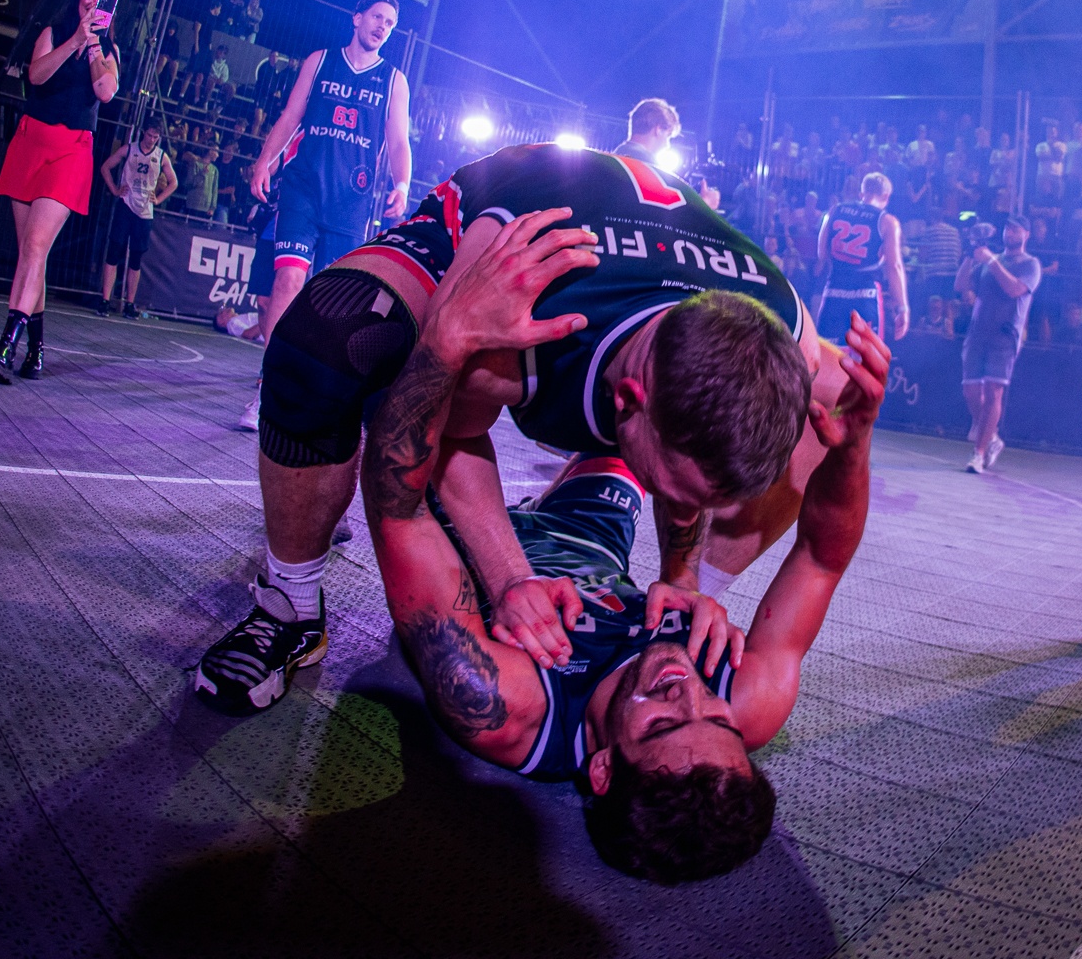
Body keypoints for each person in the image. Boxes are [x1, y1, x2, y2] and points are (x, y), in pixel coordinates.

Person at [194, 142, 829, 715]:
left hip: (656, 260)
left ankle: (679, 600)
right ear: (628, 400)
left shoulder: (790, 344)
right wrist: (510, 578)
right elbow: (446, 434)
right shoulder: (521, 301)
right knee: (329, 340)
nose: (681, 506)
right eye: (671, 488)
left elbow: (738, 457)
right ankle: (289, 603)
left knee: (829, 425)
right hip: (496, 218)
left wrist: (685, 581)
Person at [359, 211, 888, 882]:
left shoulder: (500, 701)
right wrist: (855, 443)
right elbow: (822, 557)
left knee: (430, 395)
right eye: (717, 721)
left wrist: (447, 337)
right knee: (692, 438)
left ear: (603, 768)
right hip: (589, 542)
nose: (687, 691)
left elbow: (399, 512)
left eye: (663, 724)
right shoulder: (745, 700)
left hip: (473, 542)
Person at [236, 0, 412, 430]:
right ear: (357, 17)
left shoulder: (393, 81)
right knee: (288, 280)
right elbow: (290, 116)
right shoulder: (320, 62)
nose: (383, 27)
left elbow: (398, 141)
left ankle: (319, 393)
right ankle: (269, 389)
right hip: (303, 191)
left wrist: (403, 183)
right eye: (377, 17)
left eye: (390, 23)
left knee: (335, 304)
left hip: (351, 203)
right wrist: (264, 161)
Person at [0, 0, 120, 383]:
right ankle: (37, 351)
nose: (92, 1)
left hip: (71, 150)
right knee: (30, 252)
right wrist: (74, 40)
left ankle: (7, 345)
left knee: (37, 245)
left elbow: (106, 91)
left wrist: (92, 45)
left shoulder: (109, 49)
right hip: (30, 144)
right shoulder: (53, 33)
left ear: (110, 8)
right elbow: (36, 75)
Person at [956, 216, 1041, 474]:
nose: (1010, 232)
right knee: (970, 390)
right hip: (977, 332)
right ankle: (991, 437)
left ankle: (979, 453)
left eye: (1016, 229)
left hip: (1005, 335)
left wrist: (991, 260)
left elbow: (1014, 289)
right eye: (1007, 228)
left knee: (993, 392)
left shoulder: (1030, 264)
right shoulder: (989, 260)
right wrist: (970, 255)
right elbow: (960, 286)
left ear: (1026, 234)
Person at [814, 171, 909, 344]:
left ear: (861, 193)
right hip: (865, 296)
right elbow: (894, 266)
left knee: (826, 354)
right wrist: (902, 307)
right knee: (865, 356)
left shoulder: (835, 210)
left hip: (833, 293)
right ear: (886, 196)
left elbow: (821, 252)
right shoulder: (888, 222)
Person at [97, 121, 178, 317]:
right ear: (144, 133)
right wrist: (115, 189)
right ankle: (105, 299)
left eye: (155, 137)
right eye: (149, 135)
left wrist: (158, 199)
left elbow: (173, 182)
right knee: (114, 251)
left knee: (136, 258)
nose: (152, 140)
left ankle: (130, 303)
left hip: (144, 211)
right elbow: (105, 167)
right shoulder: (130, 149)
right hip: (126, 204)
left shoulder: (161, 156)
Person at [614, 97, 680, 164]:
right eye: (668, 136)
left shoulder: (615, 156)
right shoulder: (649, 164)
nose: (667, 145)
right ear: (659, 130)